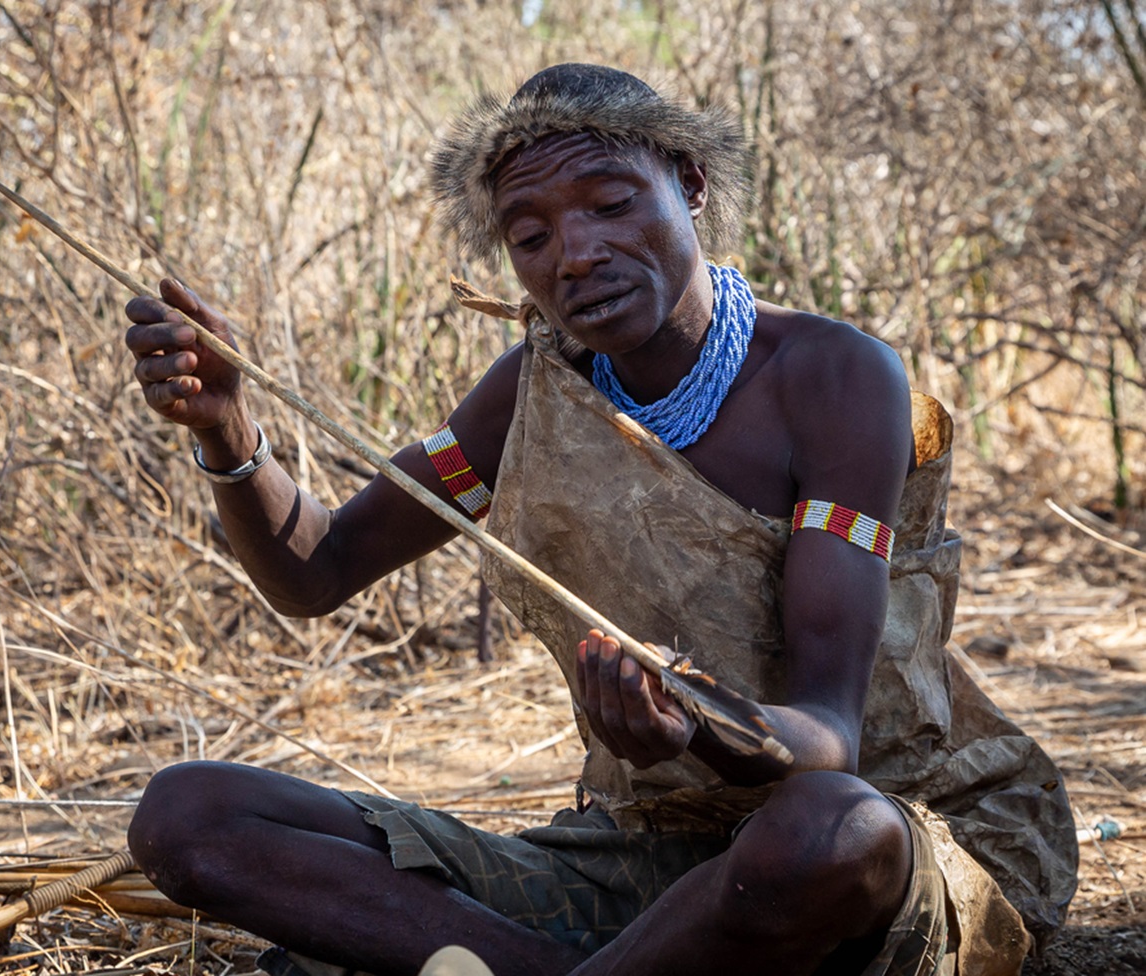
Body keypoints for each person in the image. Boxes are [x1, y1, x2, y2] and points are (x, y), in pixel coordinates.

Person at [121, 64, 1077, 976]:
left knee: (832, 828)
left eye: (613, 204)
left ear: (690, 184)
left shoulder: (834, 378)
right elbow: (318, 569)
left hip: (870, 841)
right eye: (529, 236)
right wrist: (226, 428)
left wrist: (696, 724)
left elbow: (830, 737)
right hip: (641, 857)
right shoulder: (530, 399)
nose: (575, 255)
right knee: (189, 814)